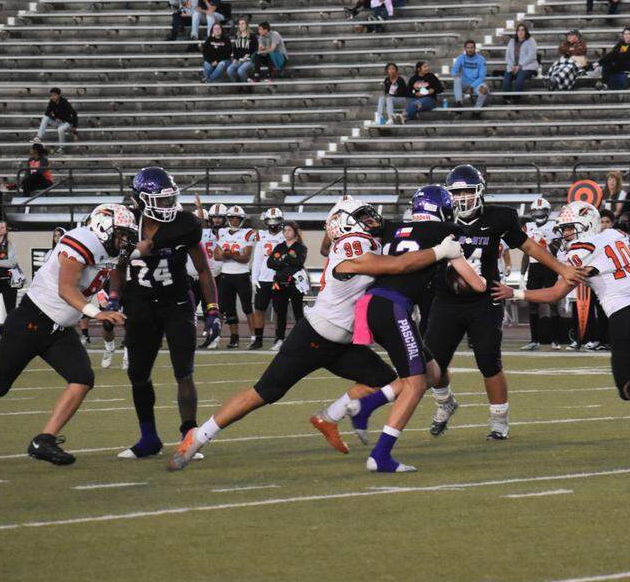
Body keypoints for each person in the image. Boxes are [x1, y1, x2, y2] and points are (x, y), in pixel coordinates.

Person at [168, 198, 465, 471]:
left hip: (344, 343)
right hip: (314, 337)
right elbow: (398, 264)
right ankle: (198, 436)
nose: (371, 219)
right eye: (362, 215)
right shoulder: (353, 245)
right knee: (264, 394)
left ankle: (330, 417)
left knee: (392, 381)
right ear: (345, 223)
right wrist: (441, 251)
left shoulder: (364, 239)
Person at [0, 205, 136, 469]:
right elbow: (66, 289)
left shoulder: (110, 250)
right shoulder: (81, 241)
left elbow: (131, 257)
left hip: (59, 330)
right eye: (121, 234)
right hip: (31, 321)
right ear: (102, 226)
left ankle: (44, 439)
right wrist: (97, 313)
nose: (124, 240)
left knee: (82, 379)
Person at [315, 189, 486, 470]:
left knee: (431, 372)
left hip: (370, 304)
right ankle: (380, 456)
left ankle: (364, 407)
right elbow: (477, 285)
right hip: (392, 307)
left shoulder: (393, 228)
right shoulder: (445, 230)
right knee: (416, 383)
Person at [493, 202, 630, 436]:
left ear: (586, 225)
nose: (565, 234)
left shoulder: (579, 252)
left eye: (569, 229)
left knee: (627, 388)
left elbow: (555, 295)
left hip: (625, 316)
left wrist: (514, 293)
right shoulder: (612, 237)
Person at [424, 165, 581, 440]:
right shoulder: (439, 219)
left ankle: (499, 420)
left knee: (489, 360)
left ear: (480, 192)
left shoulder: (500, 217)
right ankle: (445, 402)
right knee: (432, 363)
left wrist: (561, 269)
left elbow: (530, 247)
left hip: (486, 298)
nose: (461, 198)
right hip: (446, 299)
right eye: (456, 192)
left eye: (467, 191)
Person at [112, 166, 221, 459]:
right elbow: (117, 267)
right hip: (139, 304)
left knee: (184, 372)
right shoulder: (127, 223)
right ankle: (149, 438)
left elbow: (203, 270)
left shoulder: (184, 223)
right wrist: (113, 298)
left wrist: (212, 310)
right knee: (138, 374)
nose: (168, 206)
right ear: (142, 200)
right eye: (161, 200)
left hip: (176, 302)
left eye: (171, 199)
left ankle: (190, 436)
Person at [520, 197, 562, 351]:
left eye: (542, 210)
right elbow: (526, 253)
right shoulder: (528, 226)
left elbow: (558, 249)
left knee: (553, 304)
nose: (538, 213)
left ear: (548, 212)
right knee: (533, 304)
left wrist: (548, 242)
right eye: (536, 211)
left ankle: (556, 340)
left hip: (549, 266)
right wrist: (521, 275)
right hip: (534, 267)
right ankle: (534, 340)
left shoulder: (554, 226)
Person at [213, 205, 257, 348]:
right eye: (231, 217)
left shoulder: (248, 233)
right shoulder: (222, 232)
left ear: (242, 219)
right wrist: (234, 254)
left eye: (237, 218)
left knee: (247, 308)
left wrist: (228, 254)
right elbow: (217, 256)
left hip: (242, 275)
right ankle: (234, 338)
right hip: (226, 275)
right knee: (227, 308)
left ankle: (254, 337)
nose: (234, 220)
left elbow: (245, 258)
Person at [248, 207, 286, 349]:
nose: (273, 223)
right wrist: (254, 278)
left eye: (275, 220)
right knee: (259, 309)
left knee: (279, 310)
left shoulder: (285, 235)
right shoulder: (261, 235)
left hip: (279, 278)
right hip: (263, 279)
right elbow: (257, 258)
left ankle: (279, 338)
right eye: (270, 219)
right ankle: (258, 339)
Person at [267, 221, 308, 352]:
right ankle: (279, 339)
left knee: (297, 312)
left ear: (295, 232)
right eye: (285, 230)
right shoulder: (279, 246)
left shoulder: (300, 247)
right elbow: (270, 263)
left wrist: (282, 260)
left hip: (294, 283)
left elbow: (298, 262)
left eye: (289, 230)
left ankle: (301, 340)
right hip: (279, 283)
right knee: (280, 312)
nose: (286, 233)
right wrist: (285, 261)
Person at [191, 201, 225, 349]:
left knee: (211, 308)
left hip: (214, 275)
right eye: (214, 218)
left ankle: (214, 335)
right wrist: (199, 209)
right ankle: (193, 335)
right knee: (191, 307)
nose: (216, 220)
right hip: (199, 275)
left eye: (220, 217)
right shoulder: (200, 232)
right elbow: (199, 224)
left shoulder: (225, 233)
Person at [502, 24, 538, 97]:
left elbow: (532, 56)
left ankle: (516, 99)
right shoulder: (512, 41)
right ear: (516, 32)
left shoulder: (531, 40)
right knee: (506, 78)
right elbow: (507, 56)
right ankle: (507, 99)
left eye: (523, 30)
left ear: (526, 32)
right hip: (513, 67)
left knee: (520, 78)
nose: (520, 32)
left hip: (527, 67)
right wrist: (512, 66)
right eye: (519, 30)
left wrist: (520, 66)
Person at [451, 40, 489, 110]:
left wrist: (471, 87)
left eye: (472, 48)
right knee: (456, 79)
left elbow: (482, 77)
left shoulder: (481, 59)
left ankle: (476, 110)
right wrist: (456, 75)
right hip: (465, 83)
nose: (470, 50)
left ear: (475, 48)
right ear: (465, 49)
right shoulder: (461, 58)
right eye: (467, 48)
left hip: (476, 83)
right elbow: (454, 71)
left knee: (484, 90)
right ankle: (459, 103)